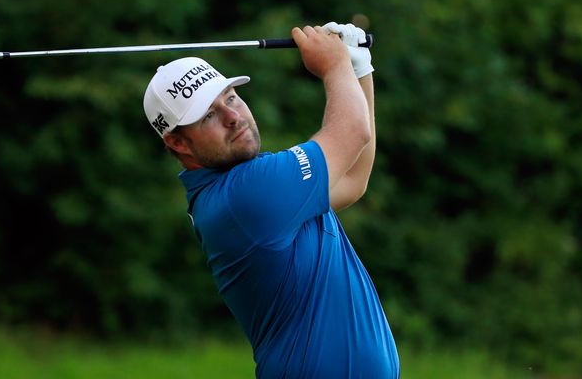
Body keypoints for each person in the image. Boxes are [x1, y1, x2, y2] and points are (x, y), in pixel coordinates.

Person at [143, 22, 399, 378]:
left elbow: (353, 180)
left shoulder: (247, 184)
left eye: (230, 98)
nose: (233, 117)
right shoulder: (244, 195)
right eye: (210, 115)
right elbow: (353, 131)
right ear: (178, 143)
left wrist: (358, 69)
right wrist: (335, 65)